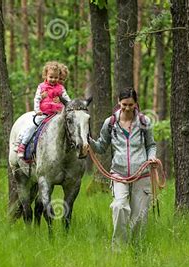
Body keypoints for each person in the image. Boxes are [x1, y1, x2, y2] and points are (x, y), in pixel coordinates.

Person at [88, 87, 157, 249]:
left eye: (130, 104)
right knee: (119, 207)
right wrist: (88, 141)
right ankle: (118, 249)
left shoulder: (144, 122)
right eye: (124, 104)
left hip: (142, 175)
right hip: (118, 174)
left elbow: (151, 145)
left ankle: (136, 250)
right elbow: (101, 147)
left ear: (136, 104)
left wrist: (151, 157)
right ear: (119, 102)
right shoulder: (110, 123)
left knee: (139, 217)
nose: (127, 108)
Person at [17, 61, 71, 159]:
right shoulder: (42, 87)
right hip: (44, 113)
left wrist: (63, 102)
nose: (54, 80)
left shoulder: (61, 88)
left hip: (57, 113)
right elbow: (37, 99)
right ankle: (22, 144)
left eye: (56, 78)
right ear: (45, 75)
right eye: (51, 77)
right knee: (32, 126)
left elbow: (68, 100)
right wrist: (37, 110)